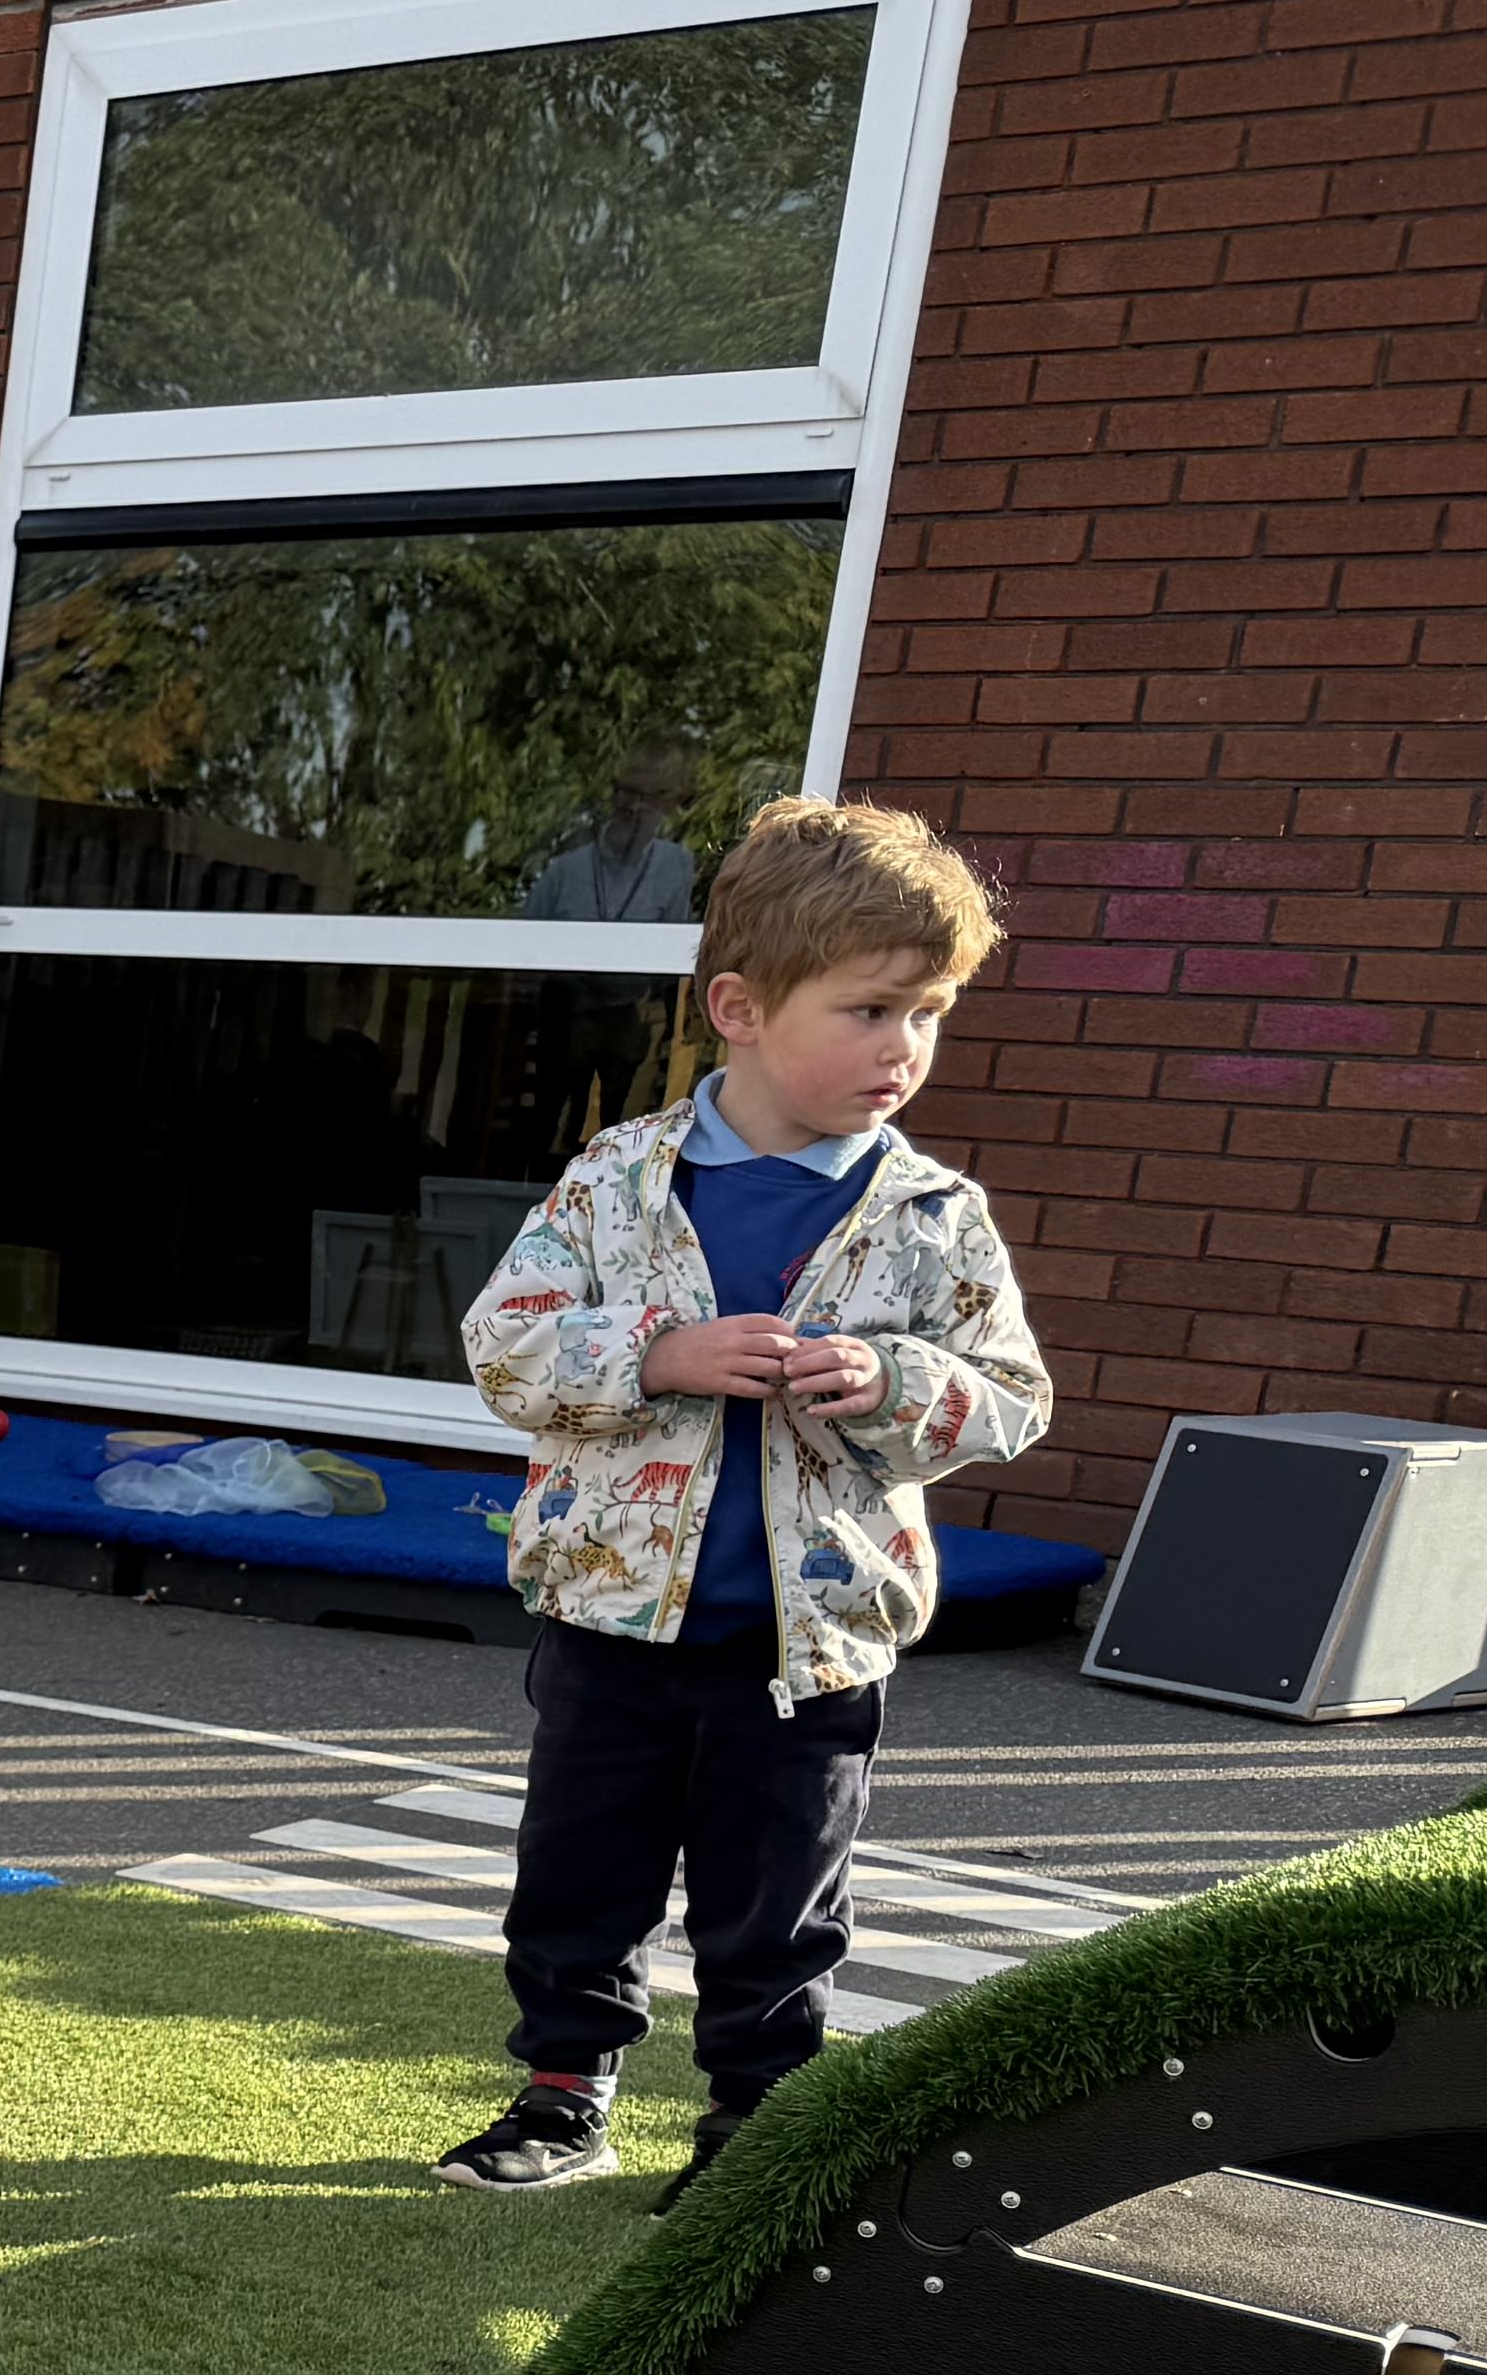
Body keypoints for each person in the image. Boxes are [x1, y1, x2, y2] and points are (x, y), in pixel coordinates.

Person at [436, 797, 1047, 2199]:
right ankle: (561, 2093)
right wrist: (656, 1353)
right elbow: (503, 1345)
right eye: (873, 1009)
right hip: (608, 1619)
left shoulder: (935, 1214)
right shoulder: (614, 1180)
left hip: (812, 1643)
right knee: (578, 1874)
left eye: (932, 1014)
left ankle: (759, 2126)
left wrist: (890, 1382)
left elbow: (1010, 1397)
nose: (907, 1049)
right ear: (743, 1008)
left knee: (778, 1900)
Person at [520, 737, 706, 925]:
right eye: (629, 792)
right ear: (614, 794)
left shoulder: (678, 866)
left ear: (670, 804)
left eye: (648, 798)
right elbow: (523, 942)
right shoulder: (563, 872)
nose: (634, 806)